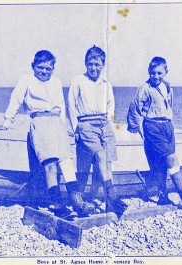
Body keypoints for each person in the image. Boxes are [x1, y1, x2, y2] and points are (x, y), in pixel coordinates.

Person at [0, 50, 95, 218]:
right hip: (39, 123)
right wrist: (7, 122)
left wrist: (66, 128)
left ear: (53, 69)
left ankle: (77, 202)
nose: (44, 72)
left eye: (49, 69)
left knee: (66, 163)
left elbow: (61, 107)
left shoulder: (56, 82)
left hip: (57, 124)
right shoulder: (26, 80)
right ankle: (58, 204)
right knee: (50, 164)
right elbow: (16, 100)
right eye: (41, 68)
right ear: (33, 66)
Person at [127, 56, 182, 207]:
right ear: (149, 72)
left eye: (159, 73)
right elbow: (134, 108)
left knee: (160, 162)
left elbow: (169, 106)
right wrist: (136, 127)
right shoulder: (145, 88)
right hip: (153, 126)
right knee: (171, 158)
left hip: (167, 126)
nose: (156, 76)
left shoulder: (168, 86)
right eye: (153, 73)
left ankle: (163, 196)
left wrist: (169, 123)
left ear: (166, 73)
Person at [68, 45, 128, 218]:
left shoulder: (105, 83)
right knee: (95, 159)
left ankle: (94, 199)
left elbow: (111, 104)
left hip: (104, 124)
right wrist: (75, 128)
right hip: (85, 124)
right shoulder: (78, 81)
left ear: (102, 65)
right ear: (85, 64)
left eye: (97, 64)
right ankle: (112, 197)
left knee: (105, 163)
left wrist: (108, 123)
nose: (93, 68)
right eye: (90, 64)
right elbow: (71, 105)